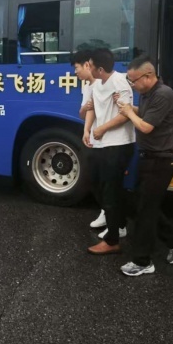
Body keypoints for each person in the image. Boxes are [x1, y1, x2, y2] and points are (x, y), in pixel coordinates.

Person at [116, 56, 173, 276]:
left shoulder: (163, 93)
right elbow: (146, 114)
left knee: (145, 212)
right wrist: (129, 108)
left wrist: (129, 113)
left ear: (148, 76)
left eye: (133, 80)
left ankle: (143, 261)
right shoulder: (148, 93)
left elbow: (146, 126)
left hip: (160, 160)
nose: (132, 84)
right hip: (147, 158)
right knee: (141, 205)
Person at [85, 48, 135, 255]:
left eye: (90, 65)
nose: (87, 68)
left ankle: (112, 240)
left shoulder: (120, 82)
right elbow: (92, 108)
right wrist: (88, 130)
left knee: (110, 191)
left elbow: (126, 114)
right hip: (101, 143)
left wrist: (103, 128)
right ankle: (119, 225)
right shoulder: (97, 83)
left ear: (100, 69)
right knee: (95, 183)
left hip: (118, 143)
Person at [70, 50, 106, 230]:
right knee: (93, 178)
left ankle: (111, 218)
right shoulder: (87, 87)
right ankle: (105, 212)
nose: (75, 72)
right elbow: (83, 113)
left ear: (87, 65)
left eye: (76, 68)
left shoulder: (103, 84)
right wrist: (86, 129)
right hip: (93, 139)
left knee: (106, 180)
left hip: (106, 140)